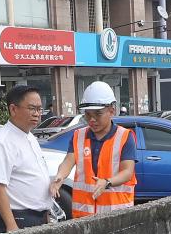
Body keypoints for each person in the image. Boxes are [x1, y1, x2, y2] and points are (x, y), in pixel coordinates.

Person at [49, 81, 136, 216]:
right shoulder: (78, 136)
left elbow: (127, 172)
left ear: (111, 111)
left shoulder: (125, 136)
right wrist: (59, 177)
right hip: (84, 216)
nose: (92, 119)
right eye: (88, 114)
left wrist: (107, 182)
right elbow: (68, 162)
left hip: (116, 216)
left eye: (98, 114)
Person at [0, 84, 55, 231]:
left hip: (38, 217)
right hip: (17, 219)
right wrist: (12, 227)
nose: (37, 114)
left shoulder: (29, 137)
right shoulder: (1, 142)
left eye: (40, 109)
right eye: (32, 108)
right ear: (13, 109)